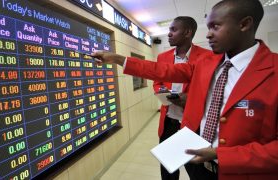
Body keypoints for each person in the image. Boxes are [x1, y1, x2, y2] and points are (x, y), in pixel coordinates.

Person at [92, 0, 278, 179]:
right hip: (199, 165)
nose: (208, 34)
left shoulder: (273, 70)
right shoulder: (206, 63)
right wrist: (118, 59)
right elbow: (162, 70)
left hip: (241, 173)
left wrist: (222, 155)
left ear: (244, 24)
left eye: (216, 26)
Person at [152, 16, 213, 180]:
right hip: (169, 121)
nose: (169, 34)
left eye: (173, 30)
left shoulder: (208, 57)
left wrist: (190, 99)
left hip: (193, 124)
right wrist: (163, 91)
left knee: (195, 168)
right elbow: (157, 82)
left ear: (187, 32)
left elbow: (211, 89)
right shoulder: (163, 57)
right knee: (168, 167)